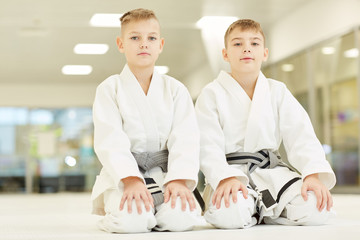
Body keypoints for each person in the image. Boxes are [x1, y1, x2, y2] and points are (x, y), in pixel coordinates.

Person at [195, 19, 336, 229]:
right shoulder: (211, 93)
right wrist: (224, 178)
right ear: (225, 54)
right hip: (232, 174)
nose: (246, 49)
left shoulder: (277, 91)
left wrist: (313, 175)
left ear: (265, 53)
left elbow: (301, 134)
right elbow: (207, 145)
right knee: (230, 215)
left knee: (316, 207)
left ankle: (261, 208)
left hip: (272, 173)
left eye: (254, 43)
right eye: (237, 44)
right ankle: (260, 207)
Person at [91, 8, 203, 233]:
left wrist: (178, 180)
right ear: (121, 44)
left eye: (151, 38)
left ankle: (156, 212)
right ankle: (119, 217)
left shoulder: (176, 89)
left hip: (167, 175)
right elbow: (109, 140)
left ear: (160, 45)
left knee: (182, 220)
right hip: (125, 176)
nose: (144, 44)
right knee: (132, 222)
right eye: (135, 38)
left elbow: (186, 139)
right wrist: (131, 179)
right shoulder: (109, 89)